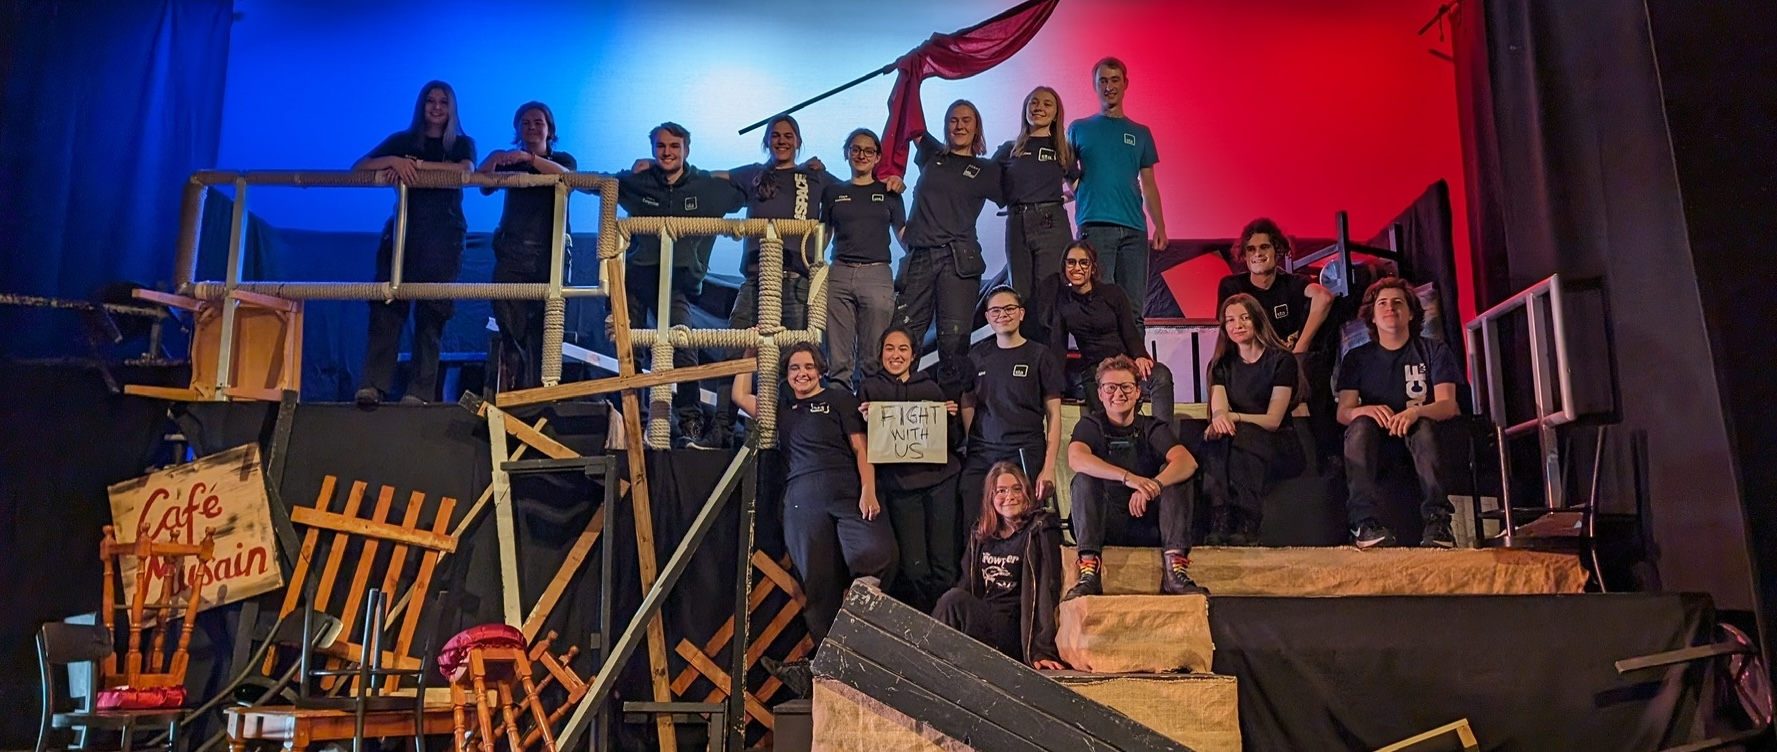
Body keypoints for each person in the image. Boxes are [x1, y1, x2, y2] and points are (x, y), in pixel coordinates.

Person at [732, 343, 897, 646]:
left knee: (877, 551)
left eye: (808, 366)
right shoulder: (782, 407)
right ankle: (829, 654)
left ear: (820, 370)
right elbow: (740, 396)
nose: (802, 373)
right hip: (802, 498)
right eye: (794, 368)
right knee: (817, 581)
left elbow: (861, 449)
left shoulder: (840, 399)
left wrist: (868, 489)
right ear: (787, 374)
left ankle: (862, 633)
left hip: (845, 488)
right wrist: (749, 355)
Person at [615, 123, 746, 444]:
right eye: (661, 146)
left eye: (674, 146)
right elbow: (590, 182)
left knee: (683, 345)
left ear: (687, 150)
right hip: (637, 278)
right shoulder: (639, 181)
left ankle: (690, 420)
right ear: (652, 149)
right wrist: (528, 161)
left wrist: (806, 174)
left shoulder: (705, 186)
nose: (667, 152)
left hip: (676, 283)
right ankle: (637, 420)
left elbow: (750, 187)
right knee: (630, 347)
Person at [352, 81, 476, 406]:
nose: (436, 108)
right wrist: (393, 161)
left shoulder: (461, 143)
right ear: (421, 105)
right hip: (402, 235)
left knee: (432, 314)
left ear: (452, 108)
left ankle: (419, 392)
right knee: (386, 306)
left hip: (443, 238)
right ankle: (373, 386)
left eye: (443, 102)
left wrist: (416, 167)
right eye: (430, 101)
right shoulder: (402, 141)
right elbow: (359, 167)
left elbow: (465, 170)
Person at [1336, 277, 1463, 548]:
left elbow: (1448, 405)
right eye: (1382, 303)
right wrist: (1365, 410)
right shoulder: (1356, 358)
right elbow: (1343, 412)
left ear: (1411, 313)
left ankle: (1438, 523)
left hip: (1422, 437)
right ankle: (1363, 524)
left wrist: (1415, 413)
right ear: (1372, 316)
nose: (1390, 308)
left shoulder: (1434, 350)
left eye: (1397, 302)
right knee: (1360, 426)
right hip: (1377, 441)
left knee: (1424, 426)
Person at [1065, 355, 1205, 598]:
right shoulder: (1091, 425)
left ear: (1138, 391)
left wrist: (1154, 485)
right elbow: (1076, 458)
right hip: (1106, 523)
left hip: (1146, 522)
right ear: (1100, 394)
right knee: (1083, 480)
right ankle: (1089, 572)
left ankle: (1175, 571)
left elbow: (1187, 461)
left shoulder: (1151, 427)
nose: (1118, 393)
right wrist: (1129, 478)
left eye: (1126, 387)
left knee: (1178, 478)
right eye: (1110, 387)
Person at [858, 328, 962, 612]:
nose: (896, 355)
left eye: (903, 349)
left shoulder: (930, 388)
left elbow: (951, 441)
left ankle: (946, 621)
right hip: (901, 487)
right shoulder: (869, 389)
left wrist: (949, 418)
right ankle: (922, 620)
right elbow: (861, 444)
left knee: (943, 561)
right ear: (881, 353)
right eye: (890, 348)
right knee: (915, 567)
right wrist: (867, 420)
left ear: (914, 355)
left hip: (940, 482)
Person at [896, 99, 1006, 362]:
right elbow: (910, 118)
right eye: (953, 120)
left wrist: (1061, 195)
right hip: (920, 259)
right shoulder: (933, 154)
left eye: (966, 120)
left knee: (954, 342)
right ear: (945, 126)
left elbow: (1018, 197)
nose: (959, 126)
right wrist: (911, 76)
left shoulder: (986, 170)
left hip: (959, 261)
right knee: (902, 335)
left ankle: (953, 391)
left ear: (977, 128)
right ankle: (898, 388)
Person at [476, 102, 576, 390]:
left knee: (545, 328)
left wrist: (529, 158)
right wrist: (494, 158)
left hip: (550, 256)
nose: (531, 127)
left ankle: (542, 395)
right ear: (517, 129)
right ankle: (516, 392)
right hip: (511, 253)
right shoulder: (511, 161)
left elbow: (567, 177)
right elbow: (483, 185)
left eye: (538, 122)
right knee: (509, 324)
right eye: (526, 123)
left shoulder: (563, 159)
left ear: (550, 130)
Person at [933, 462, 1066, 670]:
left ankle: (924, 659)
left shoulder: (1039, 529)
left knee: (953, 600)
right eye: (1001, 491)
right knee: (953, 600)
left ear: (1027, 492)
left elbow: (1046, 590)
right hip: (985, 618)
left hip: (1015, 628)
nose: (1009, 496)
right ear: (991, 498)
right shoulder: (982, 535)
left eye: (1016, 489)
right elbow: (966, 584)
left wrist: (1041, 649)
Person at [1067, 57, 1167, 326]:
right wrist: (1080, 192)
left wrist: (1159, 225)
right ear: (1094, 85)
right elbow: (1068, 170)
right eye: (1103, 81)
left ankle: (1135, 356)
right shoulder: (1079, 128)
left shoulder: (1141, 133)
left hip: (1134, 230)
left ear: (1125, 84)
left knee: (1133, 312)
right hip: (1096, 228)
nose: (1109, 87)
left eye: (1114, 80)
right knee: (1099, 306)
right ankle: (1104, 356)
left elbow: (1149, 184)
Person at [1031, 240, 1174, 424]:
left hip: (1125, 362)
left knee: (1161, 375)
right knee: (1100, 401)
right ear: (1064, 266)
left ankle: (1163, 437)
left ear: (1093, 267)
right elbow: (1059, 346)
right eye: (1071, 262)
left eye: (1084, 262)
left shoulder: (1113, 293)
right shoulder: (1062, 303)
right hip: (1096, 370)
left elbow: (1129, 330)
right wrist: (1051, 385)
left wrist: (1140, 355)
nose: (1077, 268)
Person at [1201, 294, 1305, 545]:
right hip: (1240, 443)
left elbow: (1273, 420)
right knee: (1217, 438)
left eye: (1244, 318)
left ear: (1257, 320)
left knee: (1240, 433)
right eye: (1230, 320)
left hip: (1279, 444)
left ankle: (1248, 521)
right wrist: (1219, 420)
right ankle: (1221, 517)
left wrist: (1234, 417)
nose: (1237, 325)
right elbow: (1219, 412)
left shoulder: (1282, 360)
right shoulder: (1221, 364)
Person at [960, 286, 1063, 535]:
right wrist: (971, 439)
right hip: (983, 453)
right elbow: (967, 400)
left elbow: (1054, 415)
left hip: (1025, 452)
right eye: (995, 310)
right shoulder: (977, 356)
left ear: (1021, 313)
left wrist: (1048, 467)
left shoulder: (1040, 355)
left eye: (1009, 309)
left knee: (1025, 526)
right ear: (987, 317)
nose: (1002, 315)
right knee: (972, 519)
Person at [823, 129, 905, 389]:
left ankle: (873, 405)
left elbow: (905, 236)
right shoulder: (832, 192)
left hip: (876, 275)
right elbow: (822, 237)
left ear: (878, 157)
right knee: (838, 359)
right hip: (839, 274)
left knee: (874, 358)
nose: (862, 155)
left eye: (869, 150)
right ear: (847, 153)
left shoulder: (890, 192)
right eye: (856, 149)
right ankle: (839, 406)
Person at [992, 86, 1078, 299]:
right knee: (1020, 292)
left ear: (1056, 113)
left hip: (1052, 224)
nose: (1039, 107)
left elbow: (1080, 188)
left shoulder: (1062, 149)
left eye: (1047, 104)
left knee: (1051, 291)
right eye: (1034, 102)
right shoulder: (1009, 149)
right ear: (1026, 108)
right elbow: (983, 181)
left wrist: (1063, 197)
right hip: (1017, 224)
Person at [1215, 219, 1333, 352]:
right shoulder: (1231, 286)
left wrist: (1301, 347)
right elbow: (1227, 330)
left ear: (1278, 251)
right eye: (1251, 249)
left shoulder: (1292, 283)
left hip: (1287, 359)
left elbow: (1324, 297)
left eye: (1264, 247)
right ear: (1244, 255)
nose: (1257, 253)